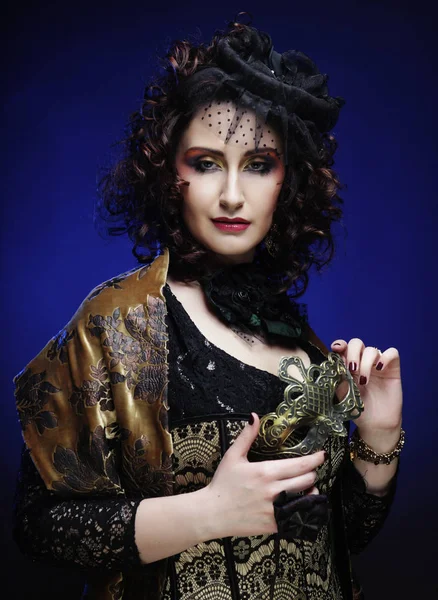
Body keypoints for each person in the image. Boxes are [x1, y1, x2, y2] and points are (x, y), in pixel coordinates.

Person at [12, 17, 404, 600]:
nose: (230, 195)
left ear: (287, 183)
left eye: (258, 164)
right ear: (170, 172)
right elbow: (38, 527)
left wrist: (379, 434)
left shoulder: (294, 334)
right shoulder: (116, 324)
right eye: (206, 162)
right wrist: (208, 513)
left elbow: (334, 536)